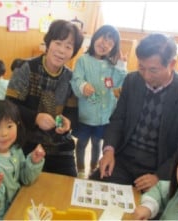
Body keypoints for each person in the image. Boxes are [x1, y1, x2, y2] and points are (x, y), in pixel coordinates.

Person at [90, 33, 178, 192]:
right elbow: (118, 120)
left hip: (159, 167)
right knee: (96, 193)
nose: (146, 76)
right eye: (141, 68)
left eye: (153, 70)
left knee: (149, 211)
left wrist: (160, 176)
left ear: (171, 64)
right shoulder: (132, 81)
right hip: (123, 160)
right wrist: (109, 151)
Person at [6, 19, 84, 177]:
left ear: (73, 52)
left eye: (68, 46)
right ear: (48, 43)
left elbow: (72, 114)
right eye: (58, 43)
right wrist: (35, 118)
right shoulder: (26, 68)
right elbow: (9, 107)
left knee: (68, 188)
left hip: (60, 148)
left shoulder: (71, 78)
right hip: (27, 144)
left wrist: (67, 123)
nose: (62, 50)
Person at [0, 100, 45, 220]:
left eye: (9, 126)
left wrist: (33, 162)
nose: (4, 133)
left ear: (18, 125)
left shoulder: (15, 150)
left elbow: (25, 179)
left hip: (17, 209)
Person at [70, 25, 127, 178]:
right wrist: (83, 86)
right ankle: (81, 168)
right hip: (86, 115)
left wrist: (121, 64)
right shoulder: (83, 60)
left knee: (97, 144)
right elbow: (76, 79)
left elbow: (118, 83)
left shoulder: (112, 66)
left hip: (104, 116)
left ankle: (94, 168)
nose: (104, 44)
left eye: (110, 42)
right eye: (103, 38)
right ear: (96, 37)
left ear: (113, 48)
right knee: (81, 143)